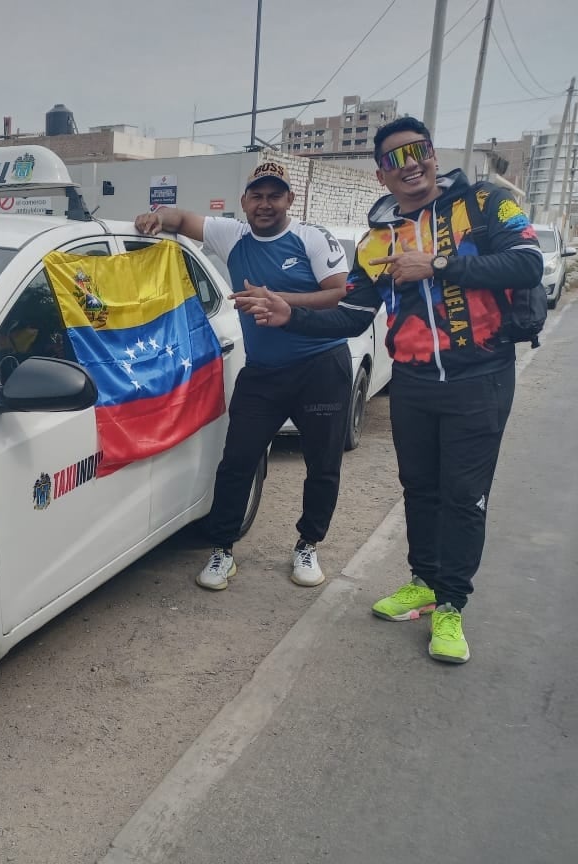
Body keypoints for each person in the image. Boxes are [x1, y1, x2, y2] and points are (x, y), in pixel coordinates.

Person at [236, 117, 543, 664]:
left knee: (463, 496)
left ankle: (451, 606)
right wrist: (291, 316)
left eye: (418, 152)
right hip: (414, 381)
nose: (411, 166)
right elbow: (353, 314)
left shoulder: (485, 204)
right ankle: (424, 583)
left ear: (431, 153)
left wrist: (439, 264)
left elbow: (526, 262)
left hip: (480, 376)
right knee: (419, 488)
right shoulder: (378, 239)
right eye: (395, 159)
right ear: (381, 174)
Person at [134, 161, 352, 592]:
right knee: (237, 461)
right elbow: (182, 218)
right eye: (257, 195)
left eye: (275, 195)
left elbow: (341, 292)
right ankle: (223, 550)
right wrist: (158, 217)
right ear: (244, 201)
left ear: (290, 200)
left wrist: (280, 300)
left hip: (320, 367)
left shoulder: (312, 238)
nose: (265, 204)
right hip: (265, 373)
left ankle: (308, 543)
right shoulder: (231, 234)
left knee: (323, 464)